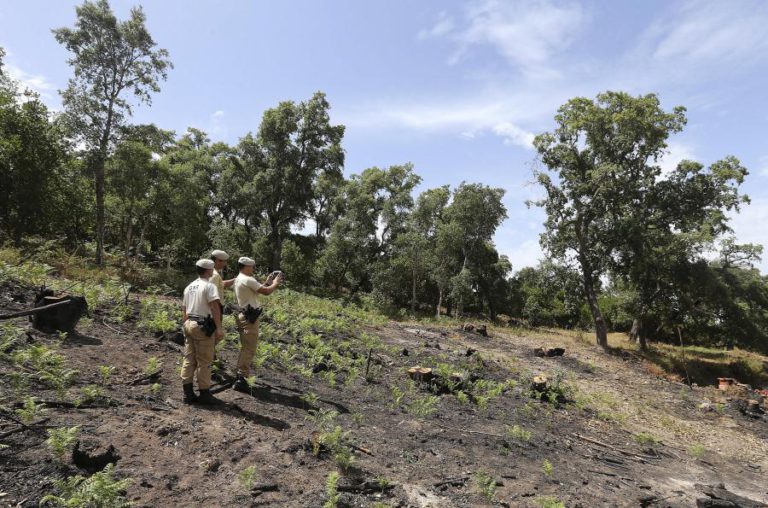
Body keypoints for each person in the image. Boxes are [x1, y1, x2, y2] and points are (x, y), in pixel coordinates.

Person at [232, 257, 283, 392]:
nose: (254, 269)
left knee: (245, 347)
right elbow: (265, 292)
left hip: (245, 315)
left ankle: (240, 375)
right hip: (249, 318)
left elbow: (257, 290)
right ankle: (241, 379)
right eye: (252, 267)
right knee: (249, 348)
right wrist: (276, 283)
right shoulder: (248, 279)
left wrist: (267, 282)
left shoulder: (240, 278)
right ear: (246, 267)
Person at [181, 259, 225, 405]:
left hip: (189, 323)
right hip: (202, 326)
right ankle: (205, 393)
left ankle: (187, 393)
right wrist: (218, 328)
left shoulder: (189, 287)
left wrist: (185, 324)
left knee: (189, 359)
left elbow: (184, 309)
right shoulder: (210, 286)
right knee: (204, 361)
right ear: (209, 271)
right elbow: (214, 307)